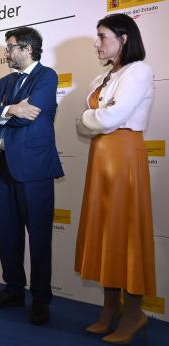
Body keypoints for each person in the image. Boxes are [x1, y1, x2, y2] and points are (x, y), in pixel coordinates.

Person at [75, 13, 155, 344]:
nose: (97, 43)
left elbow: (113, 117)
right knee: (105, 231)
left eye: (102, 36)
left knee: (126, 233)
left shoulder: (140, 70)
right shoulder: (100, 80)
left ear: (123, 39)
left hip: (124, 159)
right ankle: (110, 309)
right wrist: (95, 120)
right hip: (101, 159)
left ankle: (134, 314)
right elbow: (84, 124)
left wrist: (93, 119)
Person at [0, 27, 63, 325]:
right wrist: (11, 109)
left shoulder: (47, 76)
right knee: (8, 235)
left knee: (39, 237)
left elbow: (33, 114)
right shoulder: (5, 80)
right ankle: (13, 290)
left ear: (27, 49)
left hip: (35, 168)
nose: (6, 52)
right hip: (5, 165)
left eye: (10, 46)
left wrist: (7, 112)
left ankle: (40, 298)